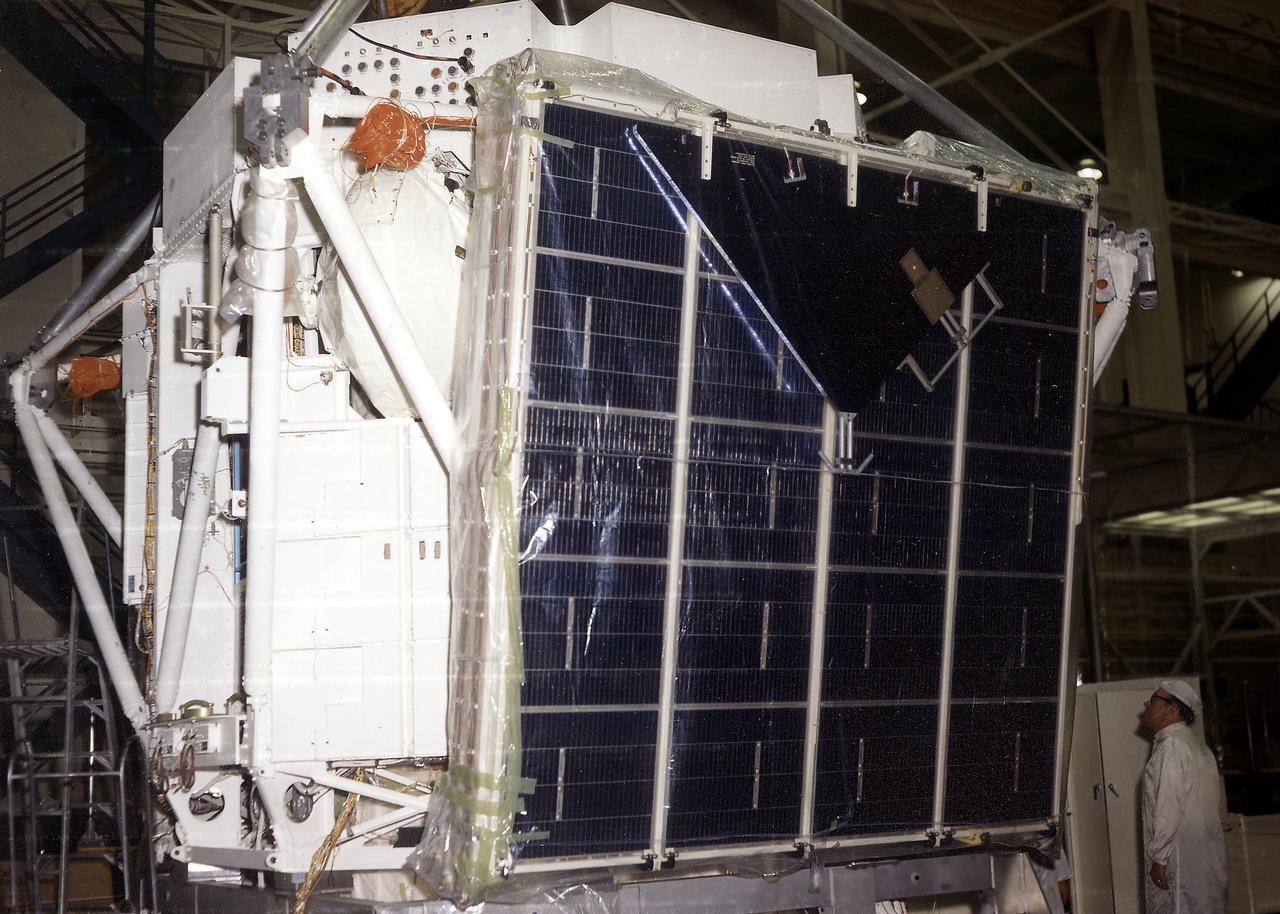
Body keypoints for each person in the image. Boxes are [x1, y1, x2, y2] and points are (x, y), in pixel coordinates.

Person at [1139, 680, 1228, 914]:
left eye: (1154, 699)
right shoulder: (1197, 746)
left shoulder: (1172, 747)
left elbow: (1169, 806)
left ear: (1172, 709)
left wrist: (1159, 858)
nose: (1146, 703)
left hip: (1178, 859)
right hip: (1202, 857)